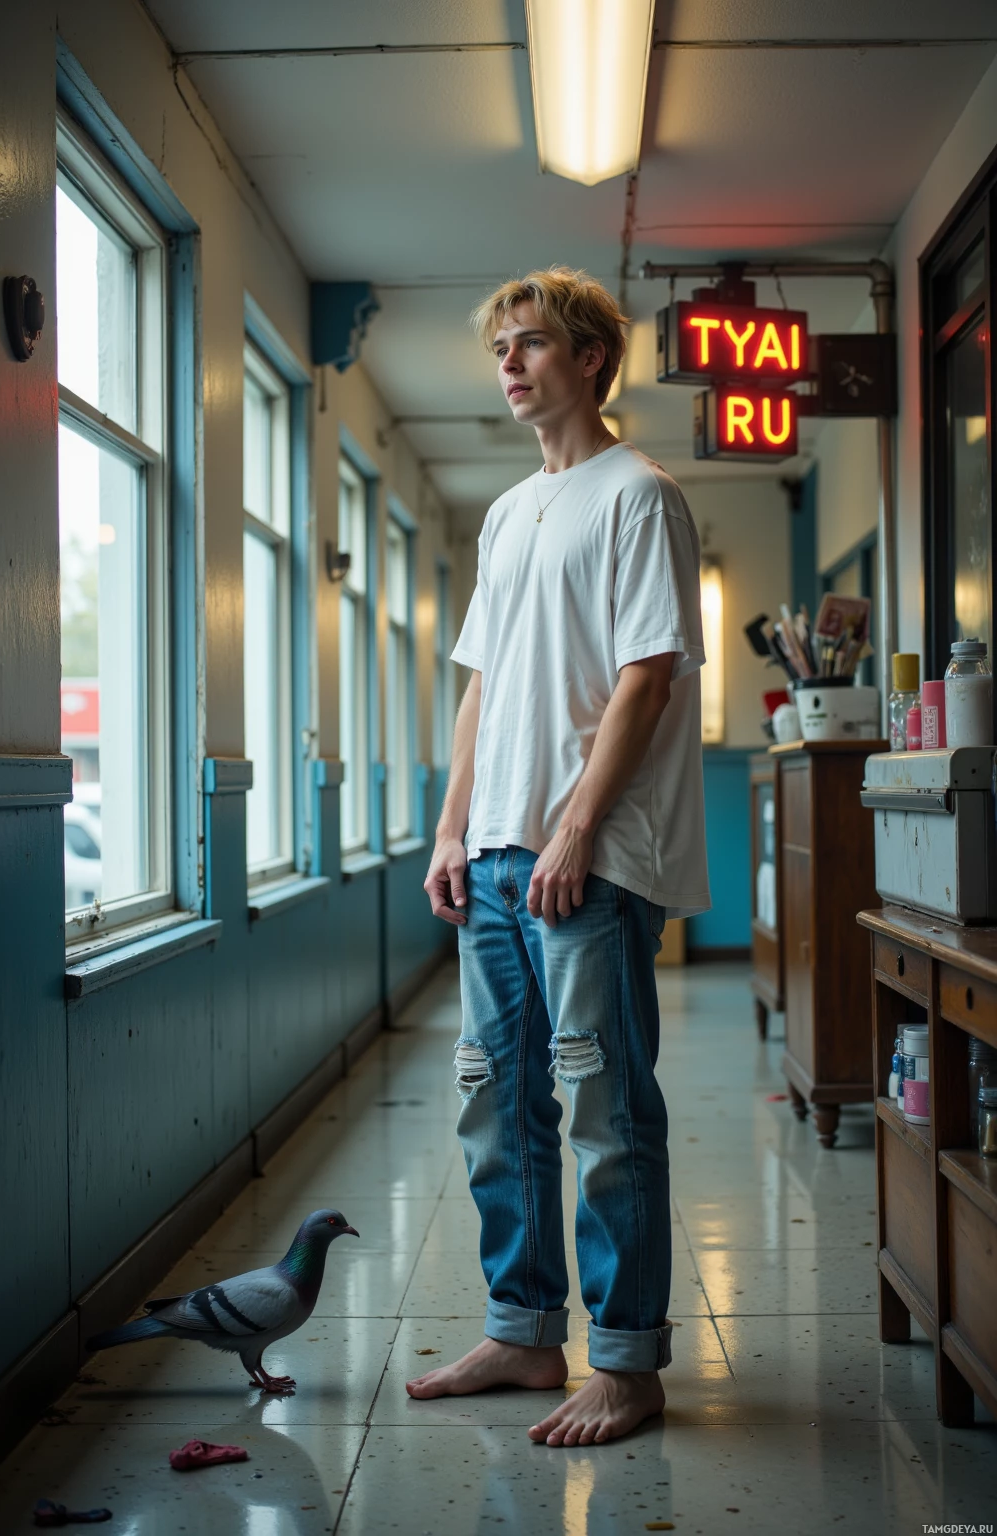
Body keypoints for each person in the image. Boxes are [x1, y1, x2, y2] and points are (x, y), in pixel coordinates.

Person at [407, 267, 709, 1446]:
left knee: (603, 1105)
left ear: (591, 359)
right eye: (502, 348)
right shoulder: (506, 511)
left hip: (590, 856)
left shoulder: (638, 495)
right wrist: (452, 824)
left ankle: (628, 1362)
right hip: (494, 856)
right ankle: (525, 1331)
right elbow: (484, 686)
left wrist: (576, 823)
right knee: (494, 1103)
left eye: (534, 344)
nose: (512, 364)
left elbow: (648, 674)